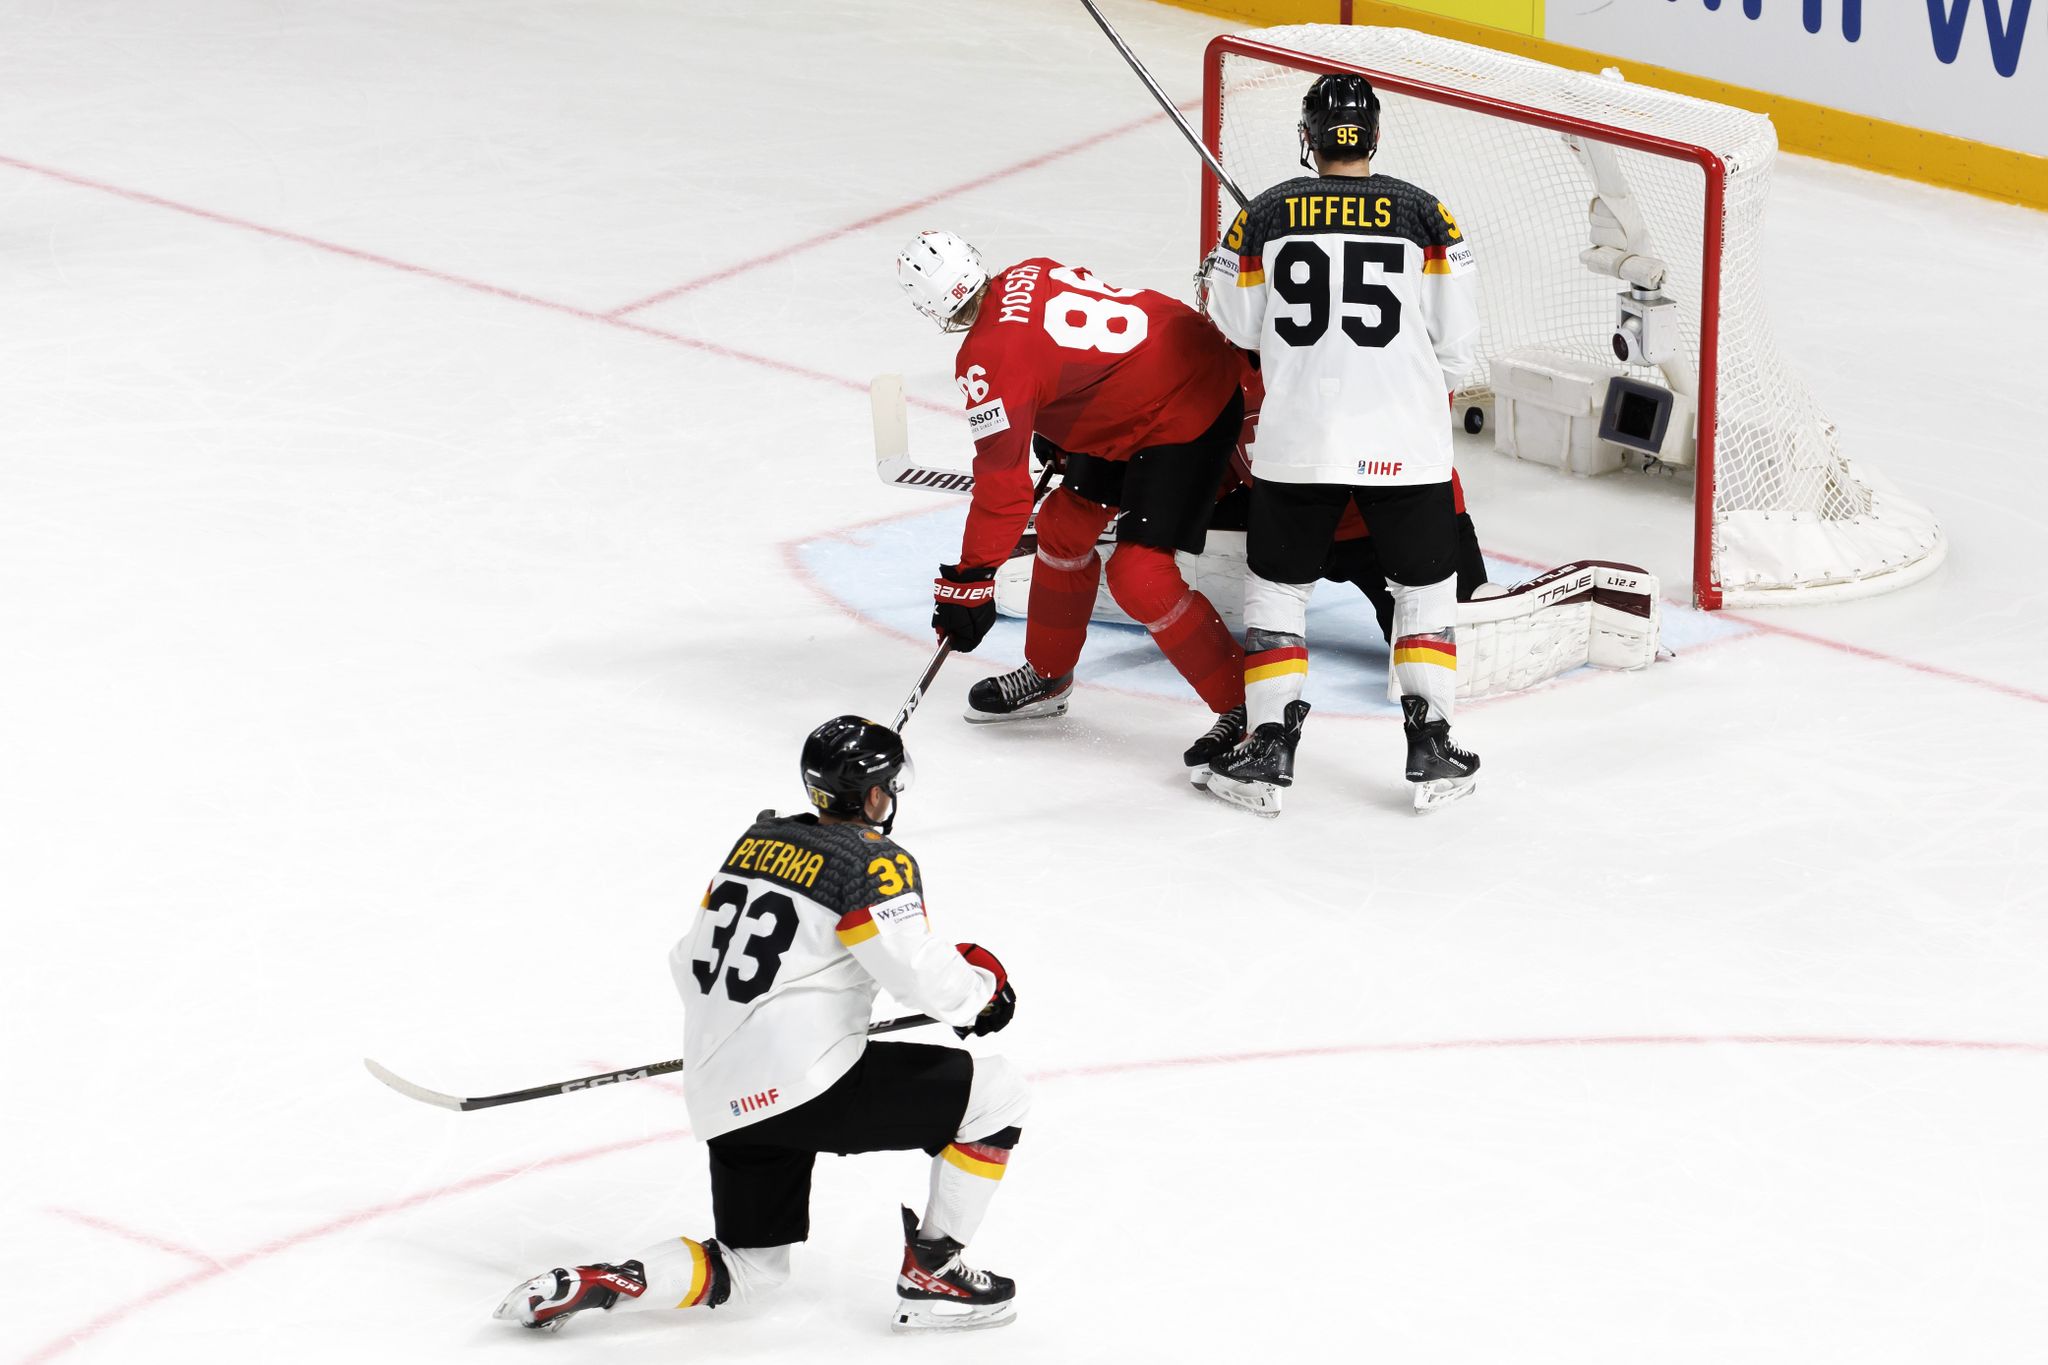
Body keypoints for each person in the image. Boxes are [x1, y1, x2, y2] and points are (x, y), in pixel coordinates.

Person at [495, 716, 1028, 1336]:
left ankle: (603, 1282)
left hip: (721, 1090)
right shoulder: (872, 864)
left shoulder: (754, 842)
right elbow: (929, 982)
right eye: (889, 786)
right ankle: (935, 1277)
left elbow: (686, 960)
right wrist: (984, 992)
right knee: (998, 1093)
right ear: (873, 795)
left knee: (749, 1267)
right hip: (808, 1086)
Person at [1199, 72, 1484, 815]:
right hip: (1406, 442)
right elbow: (1459, 347)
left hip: (1300, 440)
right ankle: (1431, 743)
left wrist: (1220, 280)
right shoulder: (1426, 214)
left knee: (1278, 593)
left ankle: (1268, 747)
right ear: (1376, 136)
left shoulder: (1262, 215)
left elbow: (1235, 327)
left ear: (1311, 137)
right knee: (1423, 594)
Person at [897, 230, 1248, 762]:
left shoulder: (985, 360)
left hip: (1187, 408)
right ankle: (1048, 673)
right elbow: (1070, 358)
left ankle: (1246, 710)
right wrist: (1055, 424)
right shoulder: (1029, 269)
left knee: (1139, 574)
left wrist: (969, 582)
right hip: (1168, 365)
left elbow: (1004, 490)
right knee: (1063, 525)